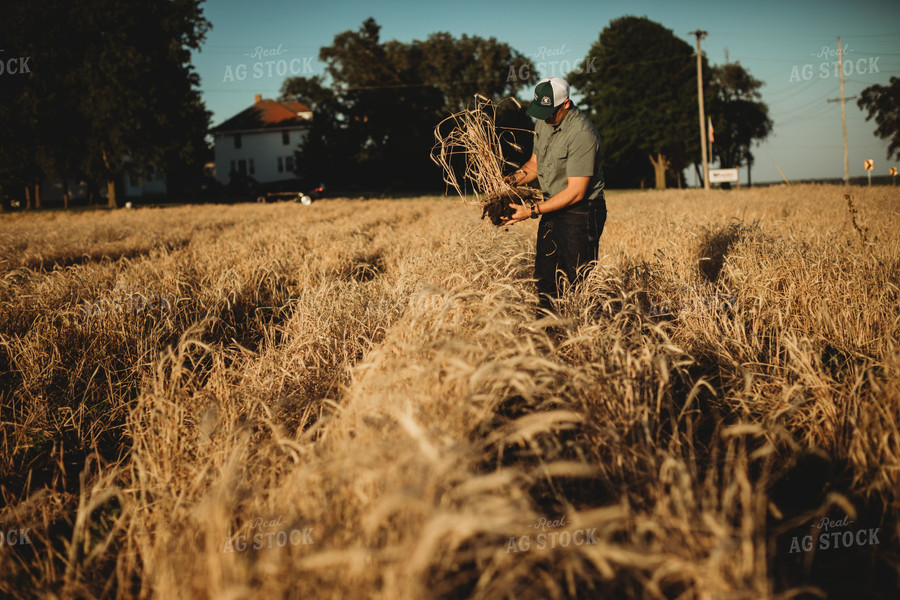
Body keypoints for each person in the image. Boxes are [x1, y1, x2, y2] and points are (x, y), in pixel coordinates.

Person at [502, 76, 607, 314]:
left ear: (566, 105)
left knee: (580, 280)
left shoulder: (582, 134)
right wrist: (508, 182)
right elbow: (534, 165)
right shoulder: (543, 123)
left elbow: (576, 192)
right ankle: (550, 335)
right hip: (552, 205)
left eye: (550, 112)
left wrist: (530, 211)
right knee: (545, 278)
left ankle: (594, 336)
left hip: (581, 211)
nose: (544, 117)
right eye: (540, 111)